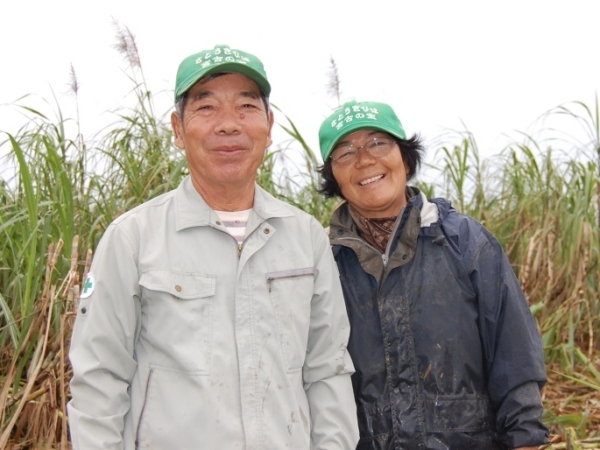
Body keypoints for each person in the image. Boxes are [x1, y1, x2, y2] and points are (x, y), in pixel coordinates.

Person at [68, 44, 359, 450]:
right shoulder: (132, 237)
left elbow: (327, 368)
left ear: (269, 126)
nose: (228, 125)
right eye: (206, 108)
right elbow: (100, 377)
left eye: (246, 106)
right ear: (177, 129)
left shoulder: (306, 237)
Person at [317, 100, 549, 450]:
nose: (364, 160)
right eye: (345, 153)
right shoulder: (323, 261)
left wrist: (526, 440)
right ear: (332, 175)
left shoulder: (465, 242)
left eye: (378, 143)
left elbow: (515, 360)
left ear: (405, 157)